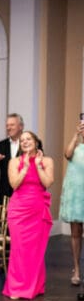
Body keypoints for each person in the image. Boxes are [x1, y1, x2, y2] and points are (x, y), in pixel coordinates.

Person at [3, 130, 54, 300]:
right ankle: (16, 288)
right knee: (19, 249)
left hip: (38, 210)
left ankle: (35, 286)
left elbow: (47, 182)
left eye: (28, 139)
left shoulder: (47, 161)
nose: (25, 142)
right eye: (22, 140)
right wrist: (24, 167)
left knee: (35, 250)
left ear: (36, 142)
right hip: (18, 210)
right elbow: (14, 185)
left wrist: (38, 165)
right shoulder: (14, 162)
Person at [59, 117, 84, 287]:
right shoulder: (77, 147)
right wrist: (76, 135)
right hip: (76, 194)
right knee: (76, 232)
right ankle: (76, 268)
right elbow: (67, 154)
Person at [0, 113, 24, 205]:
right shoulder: (1, 145)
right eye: (7, 125)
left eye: (12, 125)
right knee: (3, 219)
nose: (8, 128)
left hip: (24, 192)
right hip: (5, 194)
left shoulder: (30, 143)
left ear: (21, 126)